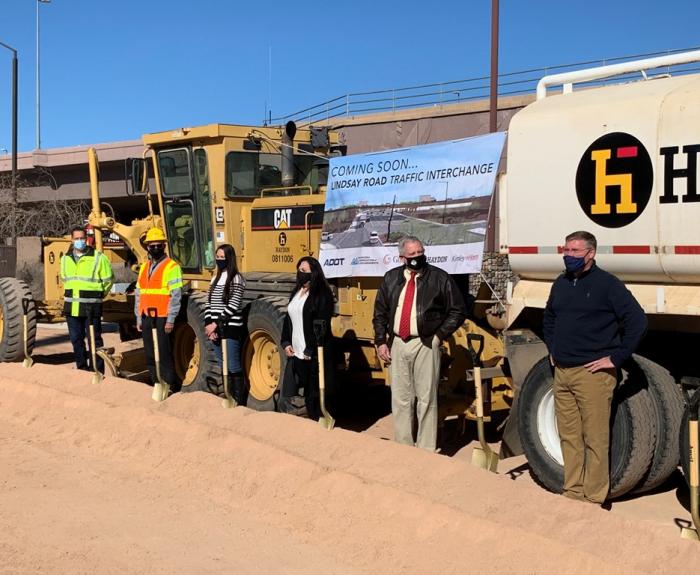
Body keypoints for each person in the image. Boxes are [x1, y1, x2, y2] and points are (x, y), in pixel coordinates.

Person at [543, 230, 647, 507]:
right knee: (569, 436)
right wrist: (552, 349)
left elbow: (637, 320)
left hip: (593, 374)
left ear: (591, 253)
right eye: (566, 250)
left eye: (575, 251)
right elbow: (550, 316)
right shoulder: (561, 283)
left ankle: (593, 498)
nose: (569, 256)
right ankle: (573, 492)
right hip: (562, 372)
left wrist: (616, 358)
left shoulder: (608, 285)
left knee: (595, 439)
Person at [373, 236, 466, 452]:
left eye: (420, 253)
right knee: (401, 398)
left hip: (425, 343)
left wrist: (439, 336)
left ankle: (425, 450)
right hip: (398, 343)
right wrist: (381, 341)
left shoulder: (439, 278)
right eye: (412, 254)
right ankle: (404, 447)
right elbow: (380, 313)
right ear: (402, 257)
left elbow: (457, 310)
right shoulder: (391, 279)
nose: (417, 257)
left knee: (427, 399)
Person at [280, 256, 334, 420]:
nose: (300, 273)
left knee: (315, 391)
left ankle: (320, 421)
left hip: (313, 352)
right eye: (299, 270)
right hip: (296, 352)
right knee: (305, 391)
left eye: (304, 271)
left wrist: (311, 348)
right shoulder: (296, 292)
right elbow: (289, 318)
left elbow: (321, 323)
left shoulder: (322, 294)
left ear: (314, 273)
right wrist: (286, 341)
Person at [134, 227, 184, 393]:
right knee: (149, 352)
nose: (155, 248)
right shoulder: (144, 267)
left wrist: (171, 319)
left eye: (158, 245)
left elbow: (176, 295)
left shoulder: (171, 267)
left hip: (162, 316)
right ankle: (156, 382)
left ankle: (169, 384)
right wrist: (138, 317)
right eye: (152, 245)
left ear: (164, 245)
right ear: (147, 247)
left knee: (164, 352)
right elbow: (139, 293)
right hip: (146, 316)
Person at [60, 225, 114, 371]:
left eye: (82, 238)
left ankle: (97, 369)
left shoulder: (98, 257)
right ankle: (82, 368)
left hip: (91, 307)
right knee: (76, 340)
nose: (79, 241)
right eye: (76, 238)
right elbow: (65, 279)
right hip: (72, 307)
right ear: (71, 240)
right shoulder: (65, 259)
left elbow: (108, 280)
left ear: (87, 239)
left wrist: (99, 294)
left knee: (94, 341)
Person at [204, 244, 247, 405]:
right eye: (217, 257)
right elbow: (208, 303)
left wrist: (217, 323)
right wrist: (209, 324)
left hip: (230, 327)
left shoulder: (237, 278)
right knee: (222, 363)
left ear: (229, 259)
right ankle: (228, 395)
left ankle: (239, 400)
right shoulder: (214, 279)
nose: (219, 260)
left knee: (233, 364)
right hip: (215, 328)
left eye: (223, 257)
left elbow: (233, 305)